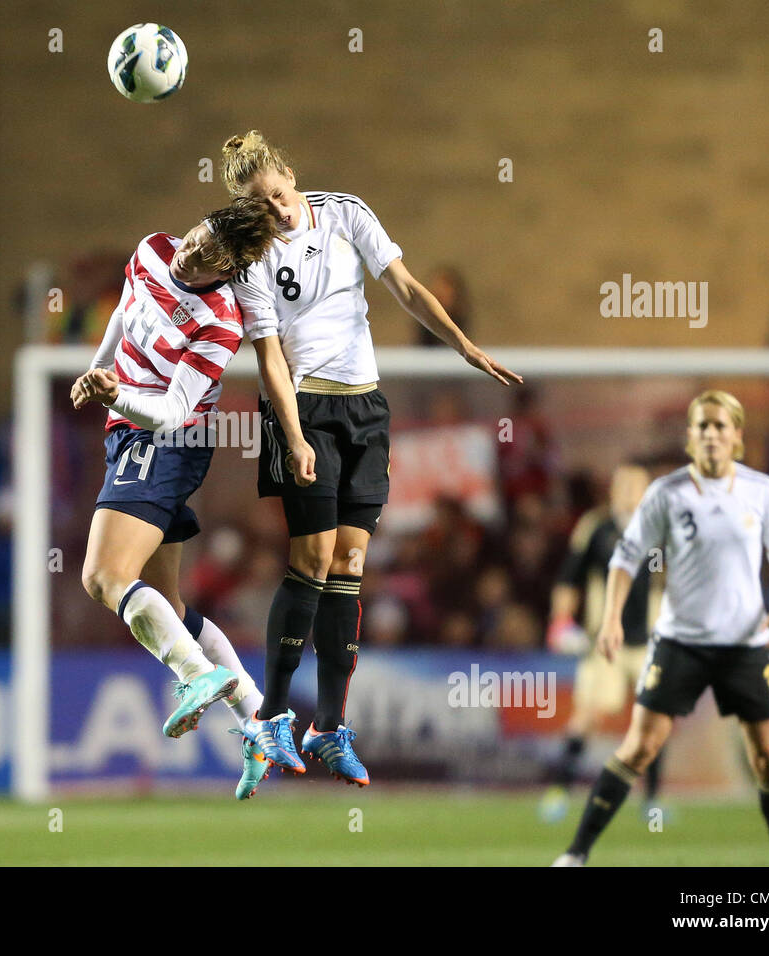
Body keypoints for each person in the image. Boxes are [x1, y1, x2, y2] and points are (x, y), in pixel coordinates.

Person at [219, 130, 521, 788]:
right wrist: (293, 436)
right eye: (258, 206)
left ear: (291, 177)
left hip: (365, 407)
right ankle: (270, 714)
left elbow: (406, 288)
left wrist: (464, 346)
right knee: (314, 558)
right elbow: (268, 355)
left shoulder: (346, 212)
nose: (274, 211)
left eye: (276, 195)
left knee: (351, 562)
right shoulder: (252, 258)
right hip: (304, 411)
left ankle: (328, 726)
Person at [72, 197, 279, 799]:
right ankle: (260, 723)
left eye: (210, 252)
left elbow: (170, 411)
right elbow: (121, 314)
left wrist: (113, 396)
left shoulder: (219, 322)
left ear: (229, 267)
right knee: (166, 601)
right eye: (197, 234)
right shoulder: (152, 249)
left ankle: (195, 675)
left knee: (102, 577)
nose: (191, 249)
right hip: (129, 433)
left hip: (164, 441)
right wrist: (98, 369)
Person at [554, 391, 769, 866]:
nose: (710, 434)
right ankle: (576, 854)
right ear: (690, 437)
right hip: (679, 643)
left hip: (744, 646)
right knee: (640, 745)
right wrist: (609, 620)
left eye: (719, 426)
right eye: (702, 426)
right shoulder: (666, 493)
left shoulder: (762, 491)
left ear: (737, 436)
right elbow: (625, 558)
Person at [540, 463, 664, 822]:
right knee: (589, 715)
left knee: (655, 719)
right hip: (604, 642)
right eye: (622, 485)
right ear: (612, 491)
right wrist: (560, 621)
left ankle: (652, 801)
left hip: (649, 643)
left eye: (636, 486)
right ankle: (559, 790)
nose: (629, 492)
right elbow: (569, 578)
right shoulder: (596, 529)